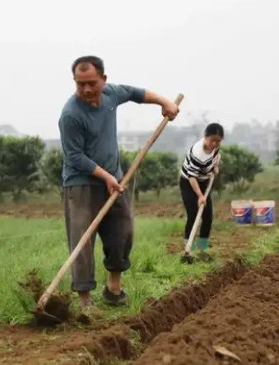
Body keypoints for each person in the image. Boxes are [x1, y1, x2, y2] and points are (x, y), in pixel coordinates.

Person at [58, 55, 179, 311]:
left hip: (114, 178)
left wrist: (164, 101)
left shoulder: (112, 94)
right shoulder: (71, 115)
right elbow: (75, 157)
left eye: (91, 83)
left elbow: (136, 93)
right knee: (83, 240)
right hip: (81, 184)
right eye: (80, 84)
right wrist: (106, 177)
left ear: (103, 79)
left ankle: (114, 290)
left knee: (122, 233)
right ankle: (85, 303)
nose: (86, 90)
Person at [179, 123, 224, 261]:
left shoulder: (216, 147)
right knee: (193, 216)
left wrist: (215, 167)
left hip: (204, 181)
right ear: (205, 137)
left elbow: (216, 156)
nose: (214, 144)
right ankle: (189, 250)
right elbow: (192, 177)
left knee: (208, 217)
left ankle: (203, 249)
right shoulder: (197, 153)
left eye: (218, 141)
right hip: (189, 182)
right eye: (212, 140)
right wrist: (199, 196)